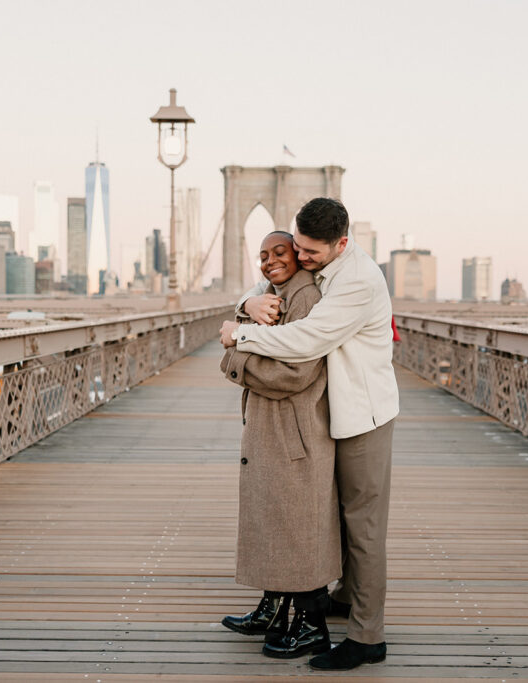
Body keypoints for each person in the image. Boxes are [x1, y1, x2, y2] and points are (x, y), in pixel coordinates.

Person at [220, 197, 398, 671]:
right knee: (329, 514)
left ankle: (366, 637)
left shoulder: (358, 280)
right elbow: (271, 281)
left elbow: (306, 342)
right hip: (326, 413)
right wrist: (245, 303)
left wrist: (238, 337)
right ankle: (340, 597)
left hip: (363, 415)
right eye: (297, 246)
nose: (300, 258)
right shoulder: (312, 260)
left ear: (341, 243)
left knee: (362, 525)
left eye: (310, 253)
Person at [219, 230, 341, 659]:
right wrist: (241, 325)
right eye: (262, 254)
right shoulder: (271, 297)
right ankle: (272, 610)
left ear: (300, 255)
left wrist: (238, 360)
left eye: (279, 252)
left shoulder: (304, 299)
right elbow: (230, 347)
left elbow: (295, 374)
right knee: (274, 516)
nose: (269, 260)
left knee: (296, 524)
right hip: (274, 426)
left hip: (295, 432)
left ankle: (312, 627)